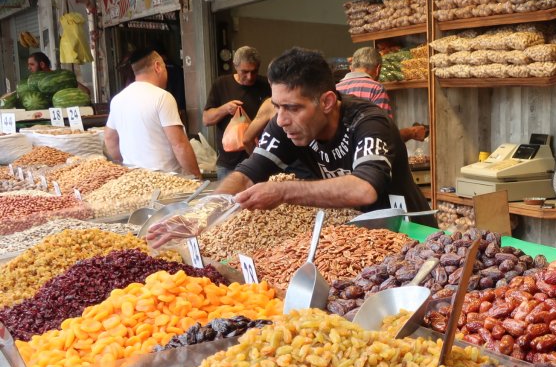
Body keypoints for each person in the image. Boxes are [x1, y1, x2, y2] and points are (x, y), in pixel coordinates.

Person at [148, 46, 428, 248]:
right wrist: (201, 213)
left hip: (409, 229)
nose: (281, 119)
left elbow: (363, 189)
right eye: (277, 106)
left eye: (292, 107)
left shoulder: (368, 121)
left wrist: (282, 191)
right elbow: (247, 173)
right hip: (357, 236)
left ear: (327, 102)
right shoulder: (286, 124)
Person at [104, 47, 200, 177]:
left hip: (133, 178)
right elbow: (179, 144)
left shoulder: (118, 99)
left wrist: (125, 163)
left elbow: (109, 139)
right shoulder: (162, 97)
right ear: (158, 66)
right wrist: (196, 177)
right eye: (165, 67)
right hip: (165, 180)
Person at [203, 46, 271, 178]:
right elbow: (206, 120)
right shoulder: (221, 84)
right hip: (228, 164)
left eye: (254, 72)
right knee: (226, 199)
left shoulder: (266, 85)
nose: (250, 77)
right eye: (244, 72)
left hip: (258, 160)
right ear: (235, 66)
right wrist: (225, 109)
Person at [336, 47, 427, 143]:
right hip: (366, 154)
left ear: (351, 68)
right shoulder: (375, 88)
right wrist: (411, 132)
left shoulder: (335, 88)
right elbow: (384, 133)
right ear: (378, 69)